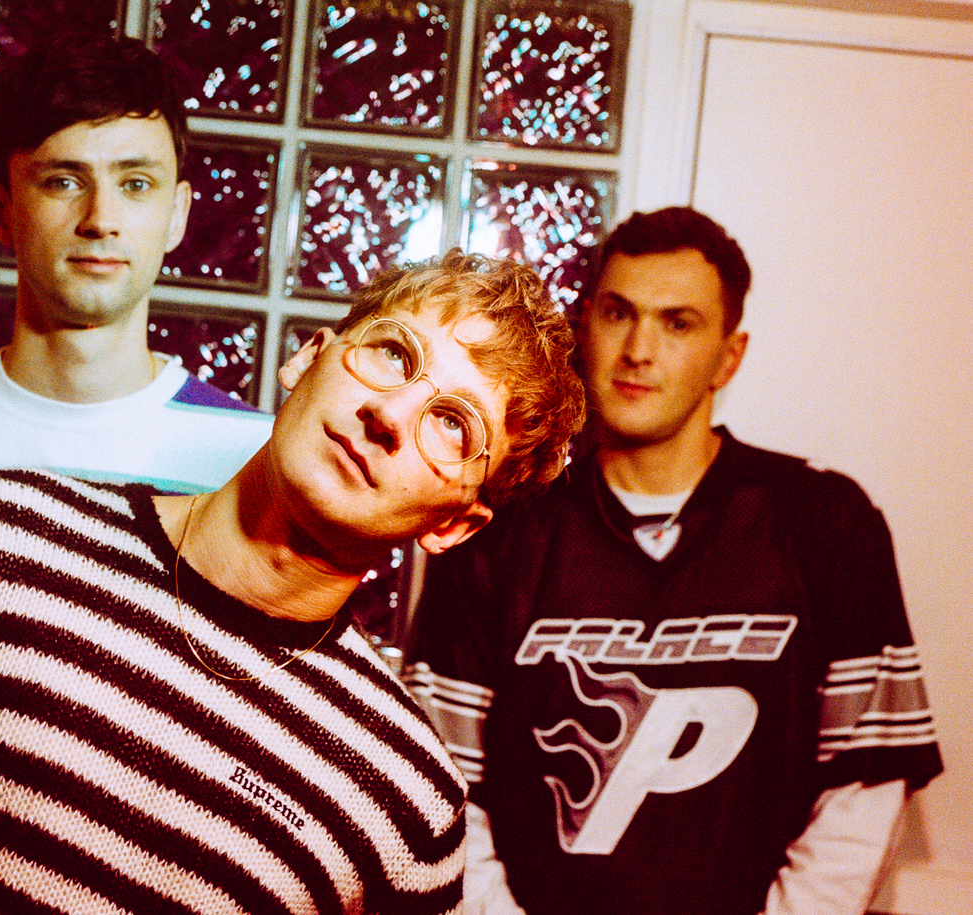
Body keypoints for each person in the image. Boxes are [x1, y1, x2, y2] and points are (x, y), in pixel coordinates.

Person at [0, 251, 586, 914]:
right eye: (392, 354)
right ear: (307, 357)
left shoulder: (404, 797)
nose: (391, 414)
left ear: (454, 525)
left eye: (452, 424)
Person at [402, 208, 944, 915]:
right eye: (617, 313)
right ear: (584, 328)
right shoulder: (495, 528)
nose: (638, 349)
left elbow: (862, 788)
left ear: (728, 356)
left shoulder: (826, 522)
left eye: (677, 323)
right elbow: (441, 783)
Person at [0, 33, 271, 496]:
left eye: (136, 184)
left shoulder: (261, 466)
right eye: (63, 182)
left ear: (177, 215)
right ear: (0, 212)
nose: (100, 220)